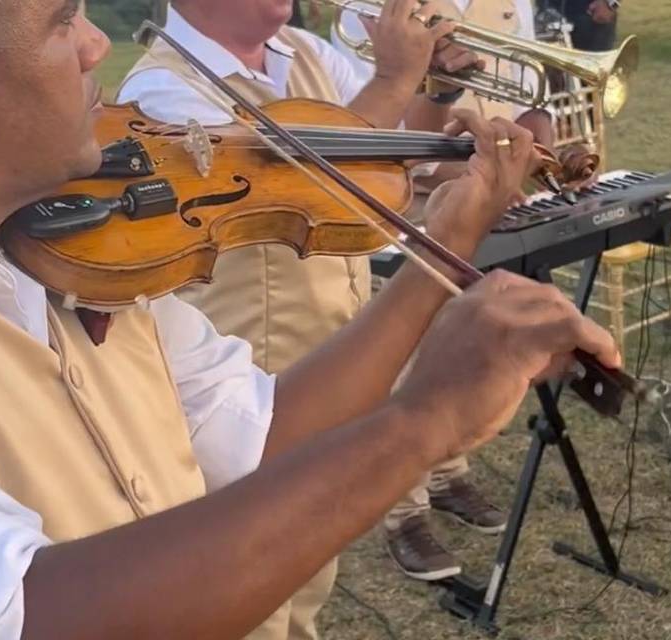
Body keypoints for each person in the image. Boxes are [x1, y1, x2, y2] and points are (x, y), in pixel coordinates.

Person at [0, 2, 621, 639]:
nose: (96, 44)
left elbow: (264, 433)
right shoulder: (162, 95)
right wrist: (426, 418)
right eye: (61, 20)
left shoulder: (82, 253)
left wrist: (439, 249)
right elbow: (25, 618)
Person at [116, 0, 483, 634]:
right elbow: (306, 189)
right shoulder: (161, 89)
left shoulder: (306, 53)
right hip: (240, 387)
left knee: (308, 579)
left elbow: (390, 151)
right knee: (251, 591)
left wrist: (435, 94)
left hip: (331, 363)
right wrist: (396, 78)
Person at [331, 0, 558, 582]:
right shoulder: (377, 11)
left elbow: (533, 100)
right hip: (416, 196)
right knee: (405, 351)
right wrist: (433, 94)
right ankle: (403, 512)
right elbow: (376, 142)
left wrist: (534, 151)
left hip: (488, 193)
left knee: (462, 339)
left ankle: (447, 471)